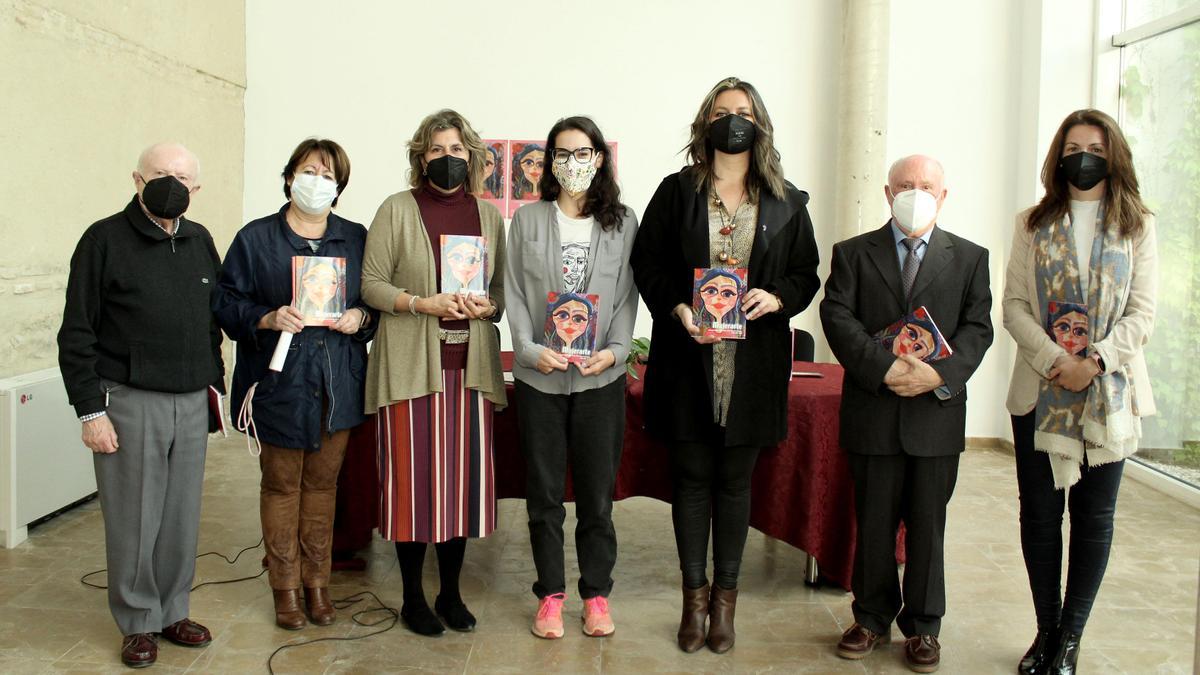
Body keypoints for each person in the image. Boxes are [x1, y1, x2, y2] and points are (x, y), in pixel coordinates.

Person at [630, 77, 820, 654]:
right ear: (705, 122)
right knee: (690, 482)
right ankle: (693, 599)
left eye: (742, 112)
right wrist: (677, 305)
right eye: (722, 111)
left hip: (753, 362)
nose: (732, 120)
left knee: (735, 484)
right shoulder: (676, 191)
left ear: (759, 123)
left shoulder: (787, 201)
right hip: (688, 360)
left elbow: (807, 272)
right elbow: (648, 263)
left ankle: (725, 603)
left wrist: (778, 297)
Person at [820, 155, 993, 673]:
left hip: (935, 415)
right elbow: (837, 315)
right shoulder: (852, 253)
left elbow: (977, 327)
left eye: (925, 186)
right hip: (873, 409)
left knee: (927, 526)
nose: (914, 193)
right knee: (872, 522)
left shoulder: (969, 257)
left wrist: (938, 375)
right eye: (904, 186)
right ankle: (870, 616)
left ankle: (924, 627)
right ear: (886, 192)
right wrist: (884, 368)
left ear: (943, 196)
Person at [57, 142, 225, 668]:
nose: (170, 183)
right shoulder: (103, 239)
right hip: (128, 400)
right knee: (134, 518)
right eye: (160, 173)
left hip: (190, 401)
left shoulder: (200, 241)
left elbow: (210, 320)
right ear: (137, 179)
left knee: (180, 516)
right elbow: (76, 332)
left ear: (195, 190)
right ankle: (137, 621)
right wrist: (90, 411)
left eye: (181, 177)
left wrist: (214, 385)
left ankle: (173, 609)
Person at [1002, 109, 1157, 675]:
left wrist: (1093, 362)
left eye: (1094, 146)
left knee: (1095, 518)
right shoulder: (1031, 223)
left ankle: (1071, 639)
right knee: (1040, 517)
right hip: (1040, 392)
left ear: (1112, 154)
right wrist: (1055, 360)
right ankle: (1045, 630)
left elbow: (1143, 314)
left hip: (1108, 399)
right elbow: (1014, 305)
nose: (1083, 156)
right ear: (1058, 155)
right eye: (1072, 146)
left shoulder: (1137, 224)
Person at [213, 138, 376, 631]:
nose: (317, 182)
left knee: (324, 487)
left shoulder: (355, 238)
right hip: (278, 382)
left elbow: (376, 304)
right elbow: (223, 303)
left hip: (337, 383)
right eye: (309, 171)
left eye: (328, 176)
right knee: (282, 486)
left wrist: (359, 317)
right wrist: (265, 317)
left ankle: (318, 585)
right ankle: (285, 590)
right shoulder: (255, 238)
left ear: (339, 188)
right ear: (289, 177)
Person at [361, 109, 506, 636]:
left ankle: (450, 593)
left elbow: (502, 295)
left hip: (468, 374)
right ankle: (412, 598)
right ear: (421, 157)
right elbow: (371, 284)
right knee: (411, 489)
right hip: (409, 371)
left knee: (458, 488)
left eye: (457, 150)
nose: (448, 159)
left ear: (472, 155)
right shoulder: (396, 210)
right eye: (437, 150)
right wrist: (421, 302)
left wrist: (486, 308)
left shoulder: (489, 217)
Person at [505, 116, 638, 640]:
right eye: (562, 153)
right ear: (550, 162)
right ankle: (551, 596)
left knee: (597, 496)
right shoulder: (528, 220)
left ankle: (597, 594)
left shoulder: (623, 222)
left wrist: (616, 352)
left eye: (582, 153)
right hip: (541, 380)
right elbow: (514, 290)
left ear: (599, 159)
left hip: (599, 381)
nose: (572, 163)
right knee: (543, 494)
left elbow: (628, 295)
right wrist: (529, 350)